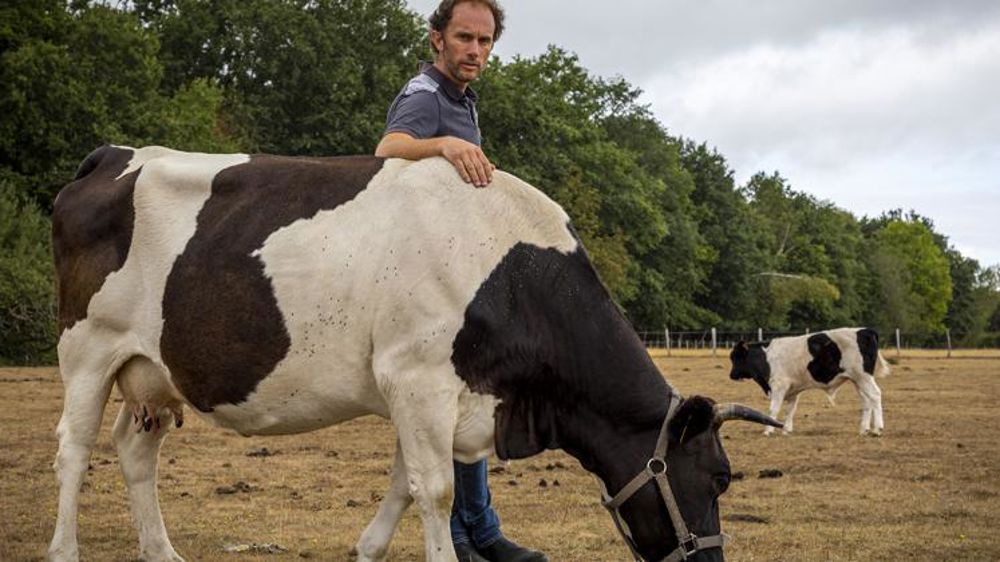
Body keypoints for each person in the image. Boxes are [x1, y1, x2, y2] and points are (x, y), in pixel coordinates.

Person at [375, 2, 548, 562]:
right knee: (445, 407)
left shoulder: (461, 99)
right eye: (464, 38)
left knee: (470, 404)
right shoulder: (426, 95)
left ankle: (482, 530)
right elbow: (387, 152)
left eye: (486, 40)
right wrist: (444, 146)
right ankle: (459, 536)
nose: (476, 50)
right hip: (422, 284)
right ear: (437, 39)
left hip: (459, 280)